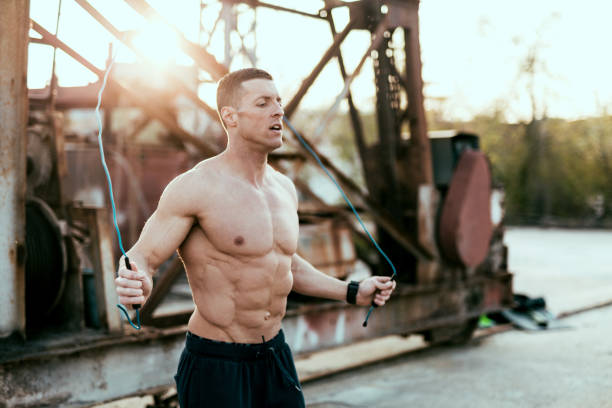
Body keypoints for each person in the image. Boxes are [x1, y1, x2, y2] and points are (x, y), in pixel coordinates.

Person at [114, 68, 397, 407]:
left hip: (274, 355)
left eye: (278, 102)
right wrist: (135, 278)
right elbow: (142, 255)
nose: (278, 111)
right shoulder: (197, 187)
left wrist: (352, 291)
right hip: (217, 362)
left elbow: (282, 262)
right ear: (230, 117)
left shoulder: (284, 188)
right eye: (263, 103)